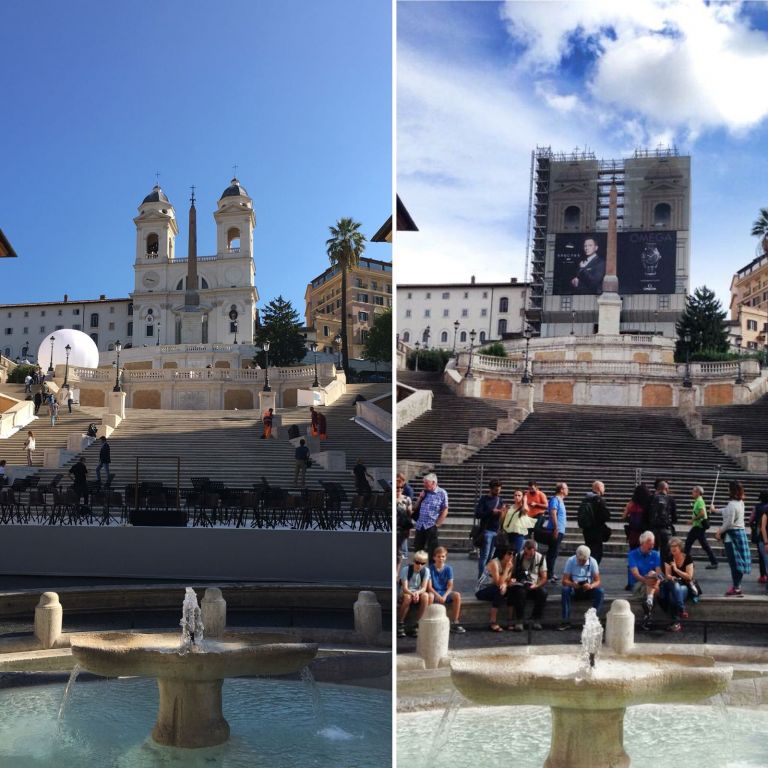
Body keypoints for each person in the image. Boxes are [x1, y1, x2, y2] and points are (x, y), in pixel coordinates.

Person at [714, 480, 750, 597]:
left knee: (734, 564)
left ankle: (736, 587)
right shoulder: (740, 503)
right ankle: (737, 586)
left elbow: (729, 523)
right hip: (741, 534)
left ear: (731, 491)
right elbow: (727, 511)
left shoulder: (732, 504)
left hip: (732, 536)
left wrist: (719, 531)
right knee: (739, 562)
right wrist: (715, 510)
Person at [558, 544, 605, 631]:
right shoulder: (571, 561)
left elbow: (598, 581)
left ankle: (593, 619)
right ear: (576, 556)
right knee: (565, 590)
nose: (582, 562)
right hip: (575, 589)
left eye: (584, 560)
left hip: (587, 588)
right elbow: (564, 581)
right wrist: (572, 584)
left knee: (600, 591)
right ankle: (565, 621)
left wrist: (591, 586)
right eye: (580, 560)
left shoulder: (593, 562)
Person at [508, 539, 548, 631]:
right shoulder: (518, 556)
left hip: (534, 584)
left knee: (543, 593)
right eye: (526, 553)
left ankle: (536, 619)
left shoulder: (540, 558)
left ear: (535, 550)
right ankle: (519, 620)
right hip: (521, 584)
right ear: (524, 549)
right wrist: (512, 581)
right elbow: (513, 573)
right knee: (520, 592)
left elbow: (544, 577)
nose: (528, 556)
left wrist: (537, 585)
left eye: (531, 554)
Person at [475, 545, 516, 632]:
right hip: (482, 589)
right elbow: (498, 582)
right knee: (499, 590)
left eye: (513, 554)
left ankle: (510, 620)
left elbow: (506, 580)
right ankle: (492, 621)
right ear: (503, 554)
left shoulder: (510, 564)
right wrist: (507, 570)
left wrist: (507, 583)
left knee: (513, 590)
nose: (511, 556)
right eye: (509, 553)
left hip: (495, 587)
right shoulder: (494, 563)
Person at [628, 530, 663, 630]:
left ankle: (648, 608)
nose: (652, 546)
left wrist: (655, 580)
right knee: (658, 589)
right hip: (638, 583)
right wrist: (647, 580)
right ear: (642, 543)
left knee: (653, 575)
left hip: (652, 583)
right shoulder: (633, 554)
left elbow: (659, 573)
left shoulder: (656, 554)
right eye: (650, 544)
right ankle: (649, 604)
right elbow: (636, 574)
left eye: (653, 544)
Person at [661, 537, 696, 632]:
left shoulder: (688, 558)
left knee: (673, 597)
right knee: (675, 585)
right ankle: (682, 609)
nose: (672, 548)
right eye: (671, 546)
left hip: (685, 585)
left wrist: (676, 570)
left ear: (680, 547)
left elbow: (689, 577)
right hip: (671, 584)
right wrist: (671, 577)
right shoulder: (668, 558)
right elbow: (667, 574)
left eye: (675, 546)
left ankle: (676, 623)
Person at [412, 473, 449, 562]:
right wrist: (420, 498)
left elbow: (445, 509)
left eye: (426, 483)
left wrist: (437, 524)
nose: (424, 484)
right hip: (420, 525)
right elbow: (414, 507)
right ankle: (419, 571)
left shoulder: (442, 493)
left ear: (433, 482)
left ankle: (432, 573)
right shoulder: (424, 492)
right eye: (424, 482)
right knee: (418, 551)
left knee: (433, 552)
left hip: (431, 525)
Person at [428, 547, 465, 633]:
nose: (441, 558)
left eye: (443, 556)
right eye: (438, 556)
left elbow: (450, 586)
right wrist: (438, 595)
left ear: (445, 557)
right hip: (434, 592)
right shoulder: (430, 569)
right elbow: (429, 587)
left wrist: (444, 596)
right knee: (429, 596)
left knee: (457, 595)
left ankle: (455, 621)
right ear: (434, 557)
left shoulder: (449, 569)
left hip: (445, 592)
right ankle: (429, 621)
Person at [397, 550, 432, 637]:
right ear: (413, 561)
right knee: (408, 598)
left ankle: (417, 624)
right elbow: (405, 588)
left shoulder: (426, 571)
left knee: (426, 596)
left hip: (418, 592)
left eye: (422, 563)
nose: (419, 565)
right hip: (407, 591)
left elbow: (424, 588)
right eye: (417, 562)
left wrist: (417, 593)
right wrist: (413, 594)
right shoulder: (406, 569)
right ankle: (400, 623)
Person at [475, 479, 506, 577]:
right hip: (487, 531)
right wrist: (491, 512)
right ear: (491, 489)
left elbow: (501, 515)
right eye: (496, 490)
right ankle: (481, 576)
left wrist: (503, 512)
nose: (498, 492)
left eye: (499, 490)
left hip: (496, 530)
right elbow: (478, 514)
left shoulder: (500, 500)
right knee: (484, 555)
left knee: (491, 556)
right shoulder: (484, 499)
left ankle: (486, 575)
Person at [684, 485, 718, 569]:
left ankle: (687, 563)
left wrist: (692, 520)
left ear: (698, 492)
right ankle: (714, 562)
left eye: (694, 491)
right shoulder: (698, 501)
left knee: (688, 544)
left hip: (698, 527)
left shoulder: (699, 501)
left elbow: (702, 513)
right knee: (703, 545)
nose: (692, 493)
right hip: (698, 527)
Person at [577, 480, 611, 563]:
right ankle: (593, 571)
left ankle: (587, 569)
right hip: (596, 530)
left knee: (589, 550)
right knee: (597, 553)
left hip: (587, 530)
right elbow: (605, 516)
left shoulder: (586, 499)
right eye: (603, 487)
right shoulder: (598, 500)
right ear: (599, 488)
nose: (604, 489)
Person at [545, 481, 568, 582]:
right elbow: (553, 513)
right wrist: (555, 528)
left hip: (559, 530)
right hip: (555, 530)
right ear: (561, 490)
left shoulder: (560, 500)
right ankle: (548, 574)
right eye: (566, 488)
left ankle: (550, 573)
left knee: (554, 552)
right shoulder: (555, 499)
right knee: (552, 553)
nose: (568, 490)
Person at [648, 480, 675, 560]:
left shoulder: (651, 498)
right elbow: (674, 517)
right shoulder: (670, 499)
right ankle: (665, 570)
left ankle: (653, 570)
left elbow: (647, 513)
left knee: (653, 550)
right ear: (666, 488)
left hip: (653, 528)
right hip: (665, 529)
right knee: (666, 553)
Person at [502, 489, 534, 554]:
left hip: (518, 535)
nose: (517, 497)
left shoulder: (524, 507)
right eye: (515, 495)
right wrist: (503, 512)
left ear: (522, 497)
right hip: (508, 534)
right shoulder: (510, 507)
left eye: (519, 495)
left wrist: (525, 500)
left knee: (516, 554)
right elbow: (503, 520)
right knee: (508, 554)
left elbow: (525, 510)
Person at [396, 474, 415, 564]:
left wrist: (409, 525)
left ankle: (404, 552)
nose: (399, 489)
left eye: (400, 487)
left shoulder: (407, 496)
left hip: (402, 523)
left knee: (402, 541)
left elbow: (409, 512)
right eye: (396, 487)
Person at [754, 490, 768, 588]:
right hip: (765, 539)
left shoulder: (757, 507)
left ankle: (763, 575)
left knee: (763, 558)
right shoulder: (766, 511)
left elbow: (751, 519)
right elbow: (763, 526)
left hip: (762, 538)